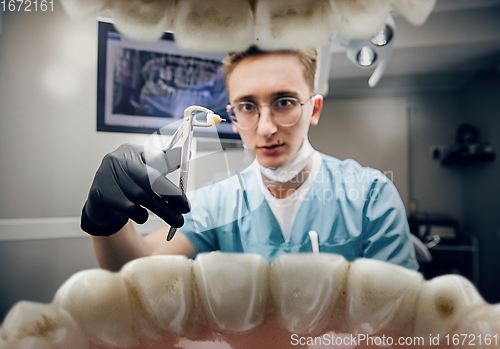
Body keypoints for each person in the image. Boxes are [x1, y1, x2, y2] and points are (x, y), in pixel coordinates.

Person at [83, 46, 418, 272]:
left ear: (313, 109)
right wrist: (106, 222)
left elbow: (399, 315)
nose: (266, 127)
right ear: (232, 114)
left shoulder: (370, 195)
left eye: (284, 102)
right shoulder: (222, 200)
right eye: (247, 107)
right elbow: (137, 266)